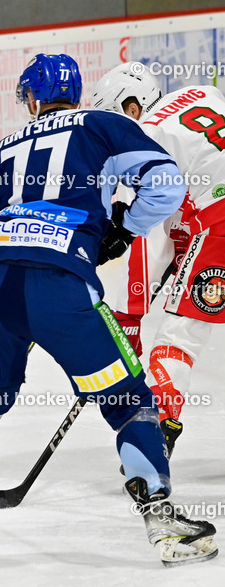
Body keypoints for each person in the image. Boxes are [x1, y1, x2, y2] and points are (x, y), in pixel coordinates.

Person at [0, 54, 218, 567]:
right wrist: (122, 226)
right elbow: (164, 183)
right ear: (76, 95)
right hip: (63, 286)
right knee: (128, 398)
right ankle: (163, 521)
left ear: (32, 97)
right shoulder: (103, 124)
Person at [93, 62, 225, 459]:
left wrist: (126, 321)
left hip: (219, 227)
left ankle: (156, 435)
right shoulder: (204, 94)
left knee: (174, 343)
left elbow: (148, 243)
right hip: (213, 219)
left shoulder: (145, 138)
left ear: (133, 108)